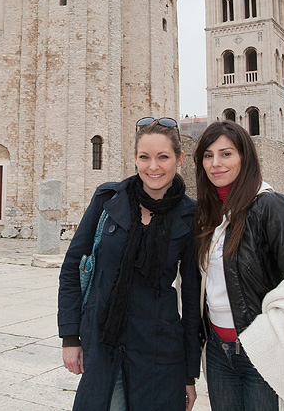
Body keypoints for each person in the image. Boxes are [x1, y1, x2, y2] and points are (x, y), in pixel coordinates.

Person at [58, 117, 200, 410]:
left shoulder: (189, 215)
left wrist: (189, 374)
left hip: (159, 351)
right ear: (134, 158)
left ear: (179, 159)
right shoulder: (109, 199)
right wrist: (70, 337)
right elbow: (73, 265)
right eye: (145, 157)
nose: (153, 167)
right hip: (104, 342)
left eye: (163, 157)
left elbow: (191, 296)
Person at [193, 121, 284, 411]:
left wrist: (265, 336)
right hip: (219, 352)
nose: (215, 163)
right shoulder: (210, 215)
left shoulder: (271, 206)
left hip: (260, 351)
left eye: (225, 154)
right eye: (207, 155)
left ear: (245, 157)